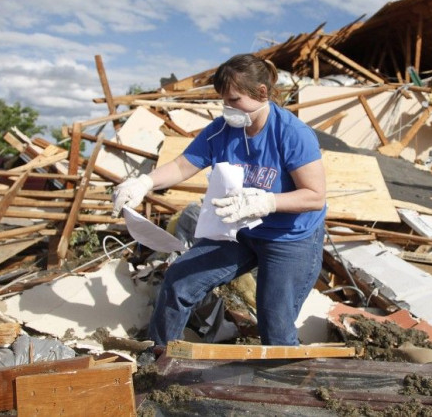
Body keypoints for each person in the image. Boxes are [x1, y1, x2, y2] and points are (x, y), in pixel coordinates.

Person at [112, 53, 327, 347]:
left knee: (274, 324)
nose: (228, 108)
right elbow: (182, 165)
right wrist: (144, 182)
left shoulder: (292, 134)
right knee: (179, 280)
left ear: (261, 93)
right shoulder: (222, 130)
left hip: (289, 236)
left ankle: (284, 383)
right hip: (239, 230)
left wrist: (267, 203)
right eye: (224, 101)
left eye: (234, 100)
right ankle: (160, 360)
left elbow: (314, 197)